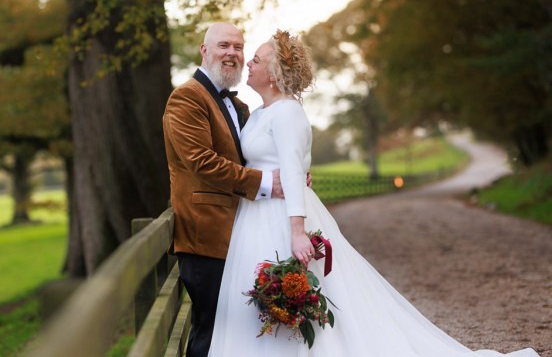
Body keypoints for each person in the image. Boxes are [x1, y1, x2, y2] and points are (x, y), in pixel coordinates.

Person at [207, 30, 540, 357]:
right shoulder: (260, 113)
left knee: (292, 301)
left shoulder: (288, 113)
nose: (249, 62)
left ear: (275, 74)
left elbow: (293, 172)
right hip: (256, 216)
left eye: (257, 59)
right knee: (259, 305)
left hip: (283, 219)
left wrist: (297, 232)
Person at [162, 22, 281, 357]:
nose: (232, 53)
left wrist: (287, 173)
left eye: (238, 47)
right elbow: (202, 162)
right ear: (204, 50)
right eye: (224, 45)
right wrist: (268, 183)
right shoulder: (186, 97)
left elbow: (252, 154)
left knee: (236, 335)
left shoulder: (236, 105)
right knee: (210, 333)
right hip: (205, 238)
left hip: (238, 234)